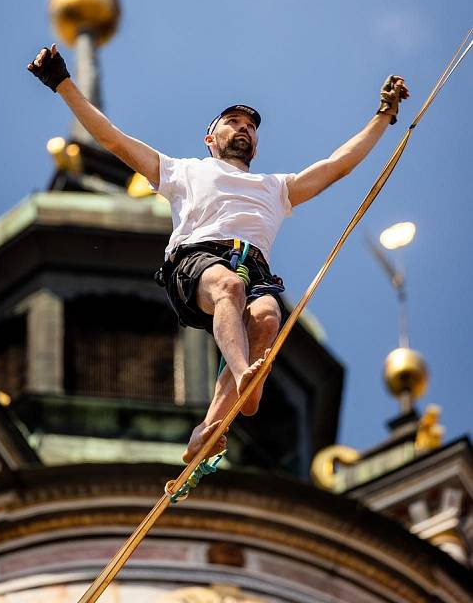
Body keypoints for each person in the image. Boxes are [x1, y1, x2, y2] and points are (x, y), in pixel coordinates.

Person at [27, 45, 409, 461]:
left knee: (267, 318)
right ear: (211, 138)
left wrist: (384, 117)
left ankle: (206, 431)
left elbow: (339, 164)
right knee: (229, 289)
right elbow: (111, 139)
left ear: (256, 147)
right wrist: (62, 84)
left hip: (255, 269)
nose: (243, 128)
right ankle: (246, 375)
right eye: (232, 122)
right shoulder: (182, 171)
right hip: (197, 262)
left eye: (250, 126)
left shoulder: (276, 188)